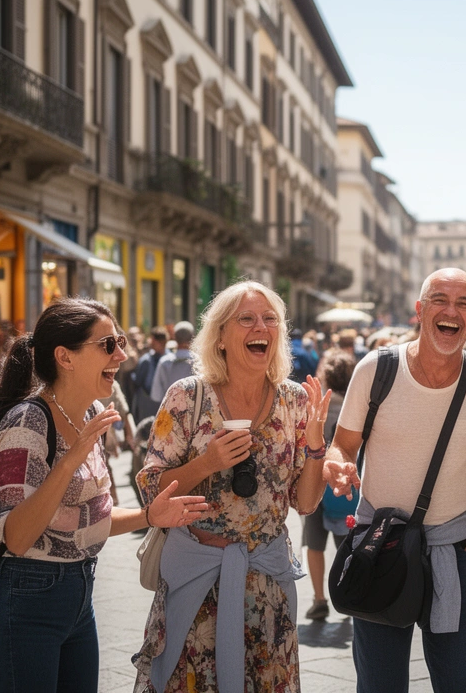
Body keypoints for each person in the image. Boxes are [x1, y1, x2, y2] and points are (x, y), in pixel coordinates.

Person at [0, 298, 209, 691]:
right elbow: (16, 536)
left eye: (119, 340)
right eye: (108, 345)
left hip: (78, 594)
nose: (122, 353)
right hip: (25, 595)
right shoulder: (26, 423)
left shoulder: (86, 414)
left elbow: (86, 518)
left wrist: (150, 515)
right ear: (64, 357)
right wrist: (70, 460)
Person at [131, 281, 329, 693]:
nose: (261, 326)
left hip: (266, 589)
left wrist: (315, 445)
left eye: (270, 319)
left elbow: (306, 503)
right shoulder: (187, 397)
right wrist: (208, 463)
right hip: (198, 585)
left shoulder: (293, 401)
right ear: (220, 336)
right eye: (246, 319)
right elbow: (151, 488)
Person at [323, 268, 466, 693]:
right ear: (420, 310)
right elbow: (342, 446)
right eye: (440, 300)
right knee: (380, 683)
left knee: (461, 684)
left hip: (456, 551)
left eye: (463, 303)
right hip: (380, 548)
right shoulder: (377, 369)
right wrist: (336, 465)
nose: (451, 311)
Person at [302, 348, 356, 620]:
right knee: (347, 544)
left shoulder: (317, 406)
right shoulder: (356, 407)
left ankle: (320, 598)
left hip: (315, 482)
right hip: (347, 484)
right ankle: (348, 595)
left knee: (314, 544)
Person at [150, 321, 196, 403]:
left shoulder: (164, 362)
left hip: (170, 412)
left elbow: (156, 395)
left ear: (174, 337)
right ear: (192, 337)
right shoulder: (199, 362)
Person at [133, 328, 169, 422]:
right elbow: (138, 382)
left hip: (166, 404)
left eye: (153, 341)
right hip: (147, 405)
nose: (150, 343)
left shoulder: (170, 360)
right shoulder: (146, 361)